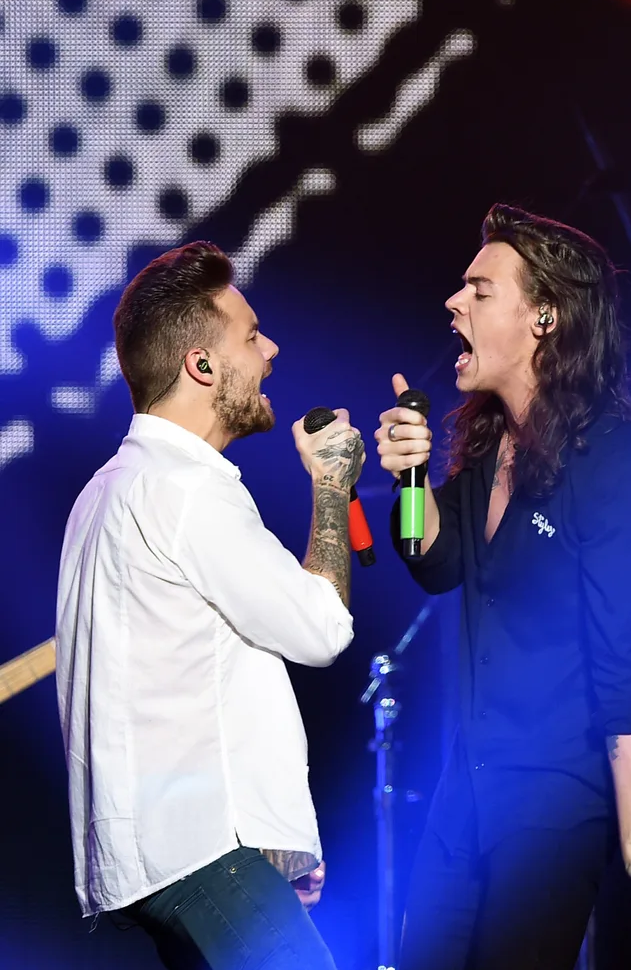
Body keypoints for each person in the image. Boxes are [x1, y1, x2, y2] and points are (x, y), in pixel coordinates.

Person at [375, 204, 631, 969]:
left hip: (554, 804)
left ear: (544, 318)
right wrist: (410, 475)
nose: (453, 302)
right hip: (466, 789)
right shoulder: (493, 444)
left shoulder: (620, 469)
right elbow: (435, 561)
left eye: (480, 289)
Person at [55, 241, 364, 970]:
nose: (272, 350)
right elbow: (321, 628)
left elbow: (180, 683)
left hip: (167, 861)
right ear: (201, 365)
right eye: (251, 336)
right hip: (199, 857)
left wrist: (272, 841)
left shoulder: (106, 492)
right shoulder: (189, 487)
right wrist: (329, 484)